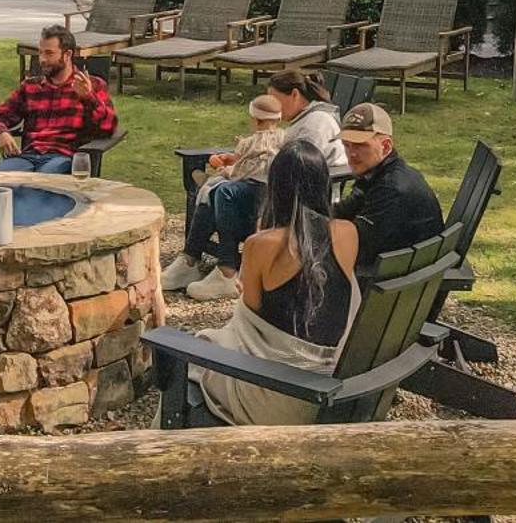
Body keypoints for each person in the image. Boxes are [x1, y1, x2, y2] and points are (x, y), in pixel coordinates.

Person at [179, 142, 360, 426]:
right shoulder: (348, 233)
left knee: (189, 351)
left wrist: (262, 235)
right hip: (326, 387)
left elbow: (247, 320)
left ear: (274, 188)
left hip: (273, 395)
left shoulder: (261, 245)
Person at [163, 94, 287, 300]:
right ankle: (191, 261)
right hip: (257, 196)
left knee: (220, 189)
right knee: (218, 190)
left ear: (255, 120)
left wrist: (219, 164)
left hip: (258, 205)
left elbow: (239, 170)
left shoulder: (250, 142)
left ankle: (225, 271)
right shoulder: (285, 139)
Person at [0, 25, 119, 173]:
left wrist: (88, 98)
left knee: (46, 181)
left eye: (49, 53)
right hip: (27, 156)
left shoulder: (92, 85)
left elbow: (108, 128)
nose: (42, 59)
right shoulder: (30, 87)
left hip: (62, 157)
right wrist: (1, 133)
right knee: (1, 179)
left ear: (67, 55)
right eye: (40, 53)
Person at [333, 103, 444, 267]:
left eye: (360, 145)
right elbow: (344, 211)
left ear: (386, 146)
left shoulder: (392, 189)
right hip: (398, 270)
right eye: (346, 145)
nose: (351, 154)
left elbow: (358, 245)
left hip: (396, 282)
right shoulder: (376, 174)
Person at [264, 69, 345, 170]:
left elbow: (298, 164)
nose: (272, 106)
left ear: (295, 94)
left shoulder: (317, 123)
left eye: (274, 100)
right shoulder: (306, 119)